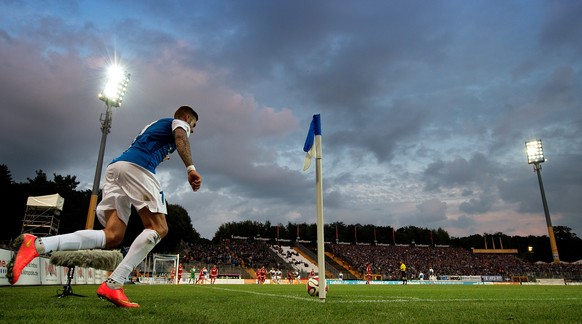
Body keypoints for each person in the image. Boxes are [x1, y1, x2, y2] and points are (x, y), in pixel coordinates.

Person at [6, 106, 202, 308]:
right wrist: (191, 169)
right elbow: (181, 138)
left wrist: (163, 153)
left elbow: (153, 143)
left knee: (113, 235)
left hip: (116, 169)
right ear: (187, 118)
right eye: (193, 125)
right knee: (159, 228)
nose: (192, 130)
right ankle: (115, 283)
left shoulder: (154, 127)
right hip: (137, 168)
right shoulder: (179, 123)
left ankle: (38, 245)